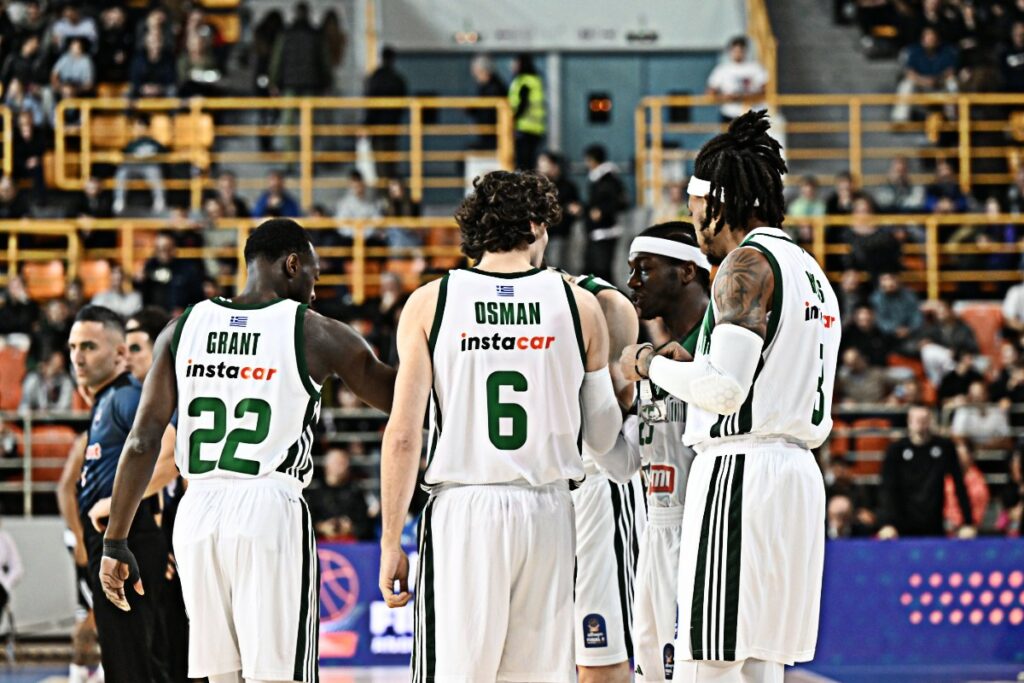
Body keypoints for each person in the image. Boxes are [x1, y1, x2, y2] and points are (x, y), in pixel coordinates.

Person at [99, 218, 397, 683]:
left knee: (222, 676)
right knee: (279, 674)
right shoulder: (312, 331)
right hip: (267, 507)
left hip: (197, 514)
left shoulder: (183, 328)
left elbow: (141, 440)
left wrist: (115, 540)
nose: (314, 290)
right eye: (313, 276)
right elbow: (399, 396)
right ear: (293, 264)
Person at [378, 170, 623, 681]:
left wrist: (390, 540)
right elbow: (602, 437)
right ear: (536, 226)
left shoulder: (430, 302)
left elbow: (403, 436)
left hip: (465, 510)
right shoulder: (580, 305)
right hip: (549, 510)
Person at [622, 111, 838, 681]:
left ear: (718, 202)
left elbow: (723, 390)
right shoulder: (811, 270)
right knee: (762, 663)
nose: (694, 222)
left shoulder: (745, 263)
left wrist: (648, 365)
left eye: (695, 209)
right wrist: (694, 366)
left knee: (709, 663)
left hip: (743, 473)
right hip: (797, 476)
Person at [620, 222, 711, 682]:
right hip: (653, 529)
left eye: (645, 269)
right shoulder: (654, 360)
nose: (632, 282)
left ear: (687, 272)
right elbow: (625, 462)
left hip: (702, 533)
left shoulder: (718, 348)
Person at [67, 306, 170, 682]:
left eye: (89, 346)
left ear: (119, 353)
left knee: (129, 664)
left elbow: (171, 452)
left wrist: (116, 505)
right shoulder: (107, 399)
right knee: (135, 660)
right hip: (120, 537)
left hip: (126, 537)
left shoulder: (126, 396)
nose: (78, 357)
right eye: (73, 347)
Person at [559, 267, 642, 682]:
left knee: (601, 660)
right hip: (539, 492)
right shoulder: (497, 296)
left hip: (595, 486)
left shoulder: (602, 301)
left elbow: (620, 392)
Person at [877, 405, 975, 538]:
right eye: (917, 420)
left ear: (930, 421)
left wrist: (967, 522)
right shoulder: (896, 450)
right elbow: (887, 488)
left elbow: (959, 484)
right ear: (909, 422)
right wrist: (887, 523)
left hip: (934, 522)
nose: (921, 424)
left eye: (924, 420)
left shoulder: (945, 447)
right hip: (902, 524)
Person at [305, 447, 373, 541]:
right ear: (326, 465)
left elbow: (365, 524)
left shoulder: (356, 491)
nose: (338, 467)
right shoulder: (314, 492)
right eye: (335, 462)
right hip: (320, 542)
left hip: (351, 543)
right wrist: (321, 527)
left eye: (341, 463)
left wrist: (350, 527)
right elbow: (306, 522)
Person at [892, 27, 959, 122]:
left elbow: (950, 71)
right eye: (928, 38)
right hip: (920, 86)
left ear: (937, 40)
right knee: (906, 84)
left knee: (952, 83)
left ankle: (953, 118)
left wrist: (937, 80)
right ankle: (900, 119)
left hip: (939, 85)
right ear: (922, 40)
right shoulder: (915, 52)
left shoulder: (946, 52)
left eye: (933, 38)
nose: (930, 41)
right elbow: (909, 73)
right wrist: (924, 81)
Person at [583, 144, 627, 283]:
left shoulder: (607, 180)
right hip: (599, 231)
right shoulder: (601, 179)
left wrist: (601, 211)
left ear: (592, 160)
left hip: (605, 231)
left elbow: (619, 203)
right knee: (594, 270)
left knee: (601, 271)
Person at [364, 46, 407, 179]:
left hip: (377, 129)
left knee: (380, 164)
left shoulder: (375, 78)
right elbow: (402, 105)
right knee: (390, 163)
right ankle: (391, 189)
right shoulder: (397, 79)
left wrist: (367, 124)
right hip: (392, 128)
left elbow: (370, 103)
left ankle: (384, 189)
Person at [137, 231, 205, 314]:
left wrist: (185, 311)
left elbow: (198, 296)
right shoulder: (150, 265)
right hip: (156, 316)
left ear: (174, 248)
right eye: (158, 249)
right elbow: (142, 294)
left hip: (181, 317)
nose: (163, 252)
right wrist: (138, 281)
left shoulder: (187, 268)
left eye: (166, 248)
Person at [112, 114, 167, 215]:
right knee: (122, 172)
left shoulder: (153, 142)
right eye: (137, 126)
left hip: (149, 166)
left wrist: (152, 157)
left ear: (147, 128)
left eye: (141, 126)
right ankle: (119, 200)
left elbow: (164, 153)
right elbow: (123, 155)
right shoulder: (132, 143)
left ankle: (159, 201)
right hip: (133, 166)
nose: (139, 129)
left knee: (155, 171)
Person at [705, 36, 768, 123]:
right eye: (735, 51)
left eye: (740, 51)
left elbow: (765, 89)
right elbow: (710, 92)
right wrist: (726, 97)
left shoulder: (755, 68)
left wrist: (746, 96)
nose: (738, 54)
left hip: (752, 113)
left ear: (745, 51)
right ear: (730, 51)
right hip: (730, 114)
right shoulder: (722, 69)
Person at [537, 150, 581, 270]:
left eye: (544, 163)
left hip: (559, 234)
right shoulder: (539, 186)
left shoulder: (567, 186)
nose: (540, 167)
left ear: (554, 166)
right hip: (541, 235)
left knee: (556, 266)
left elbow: (575, 208)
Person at [509, 53, 546, 169]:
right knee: (530, 163)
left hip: (524, 128)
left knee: (523, 164)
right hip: (536, 129)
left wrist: (512, 119)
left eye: (514, 63)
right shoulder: (535, 80)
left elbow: (523, 104)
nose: (512, 66)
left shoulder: (524, 81)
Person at [468, 55, 506, 150]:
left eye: (476, 71)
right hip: (487, 134)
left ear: (484, 71)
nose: (474, 74)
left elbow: (489, 113)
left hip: (494, 136)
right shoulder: (485, 87)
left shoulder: (494, 88)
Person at [18, 347, 74, 411]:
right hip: (35, 416)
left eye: (60, 366)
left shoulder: (65, 381)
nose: (59, 370)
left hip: (56, 416)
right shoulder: (33, 379)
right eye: (54, 364)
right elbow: (24, 407)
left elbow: (64, 408)